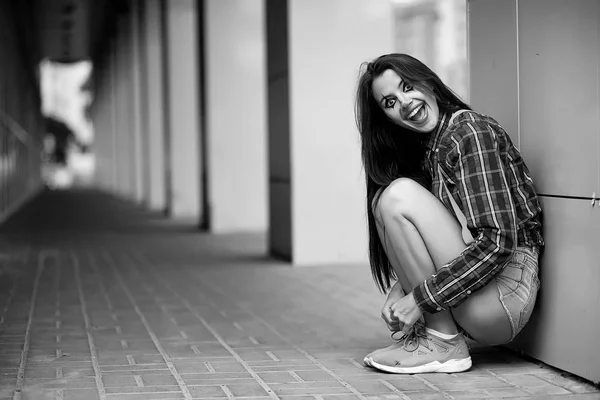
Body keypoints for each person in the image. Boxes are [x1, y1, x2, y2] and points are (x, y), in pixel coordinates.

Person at [354, 53, 544, 374]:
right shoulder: (434, 145)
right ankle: (437, 337)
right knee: (385, 198)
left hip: (505, 296)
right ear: (387, 118)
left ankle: (442, 342)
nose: (405, 102)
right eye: (389, 101)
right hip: (484, 296)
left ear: (428, 83)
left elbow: (498, 242)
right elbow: (448, 231)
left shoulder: (470, 133)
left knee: (398, 196)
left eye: (408, 86)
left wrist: (419, 298)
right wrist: (402, 288)